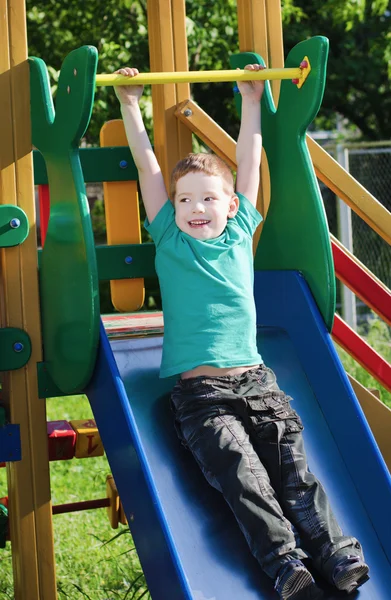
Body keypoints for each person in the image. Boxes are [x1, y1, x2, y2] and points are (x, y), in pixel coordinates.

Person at [114, 65, 369, 600]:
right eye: (184, 200)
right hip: (203, 398)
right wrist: (131, 103)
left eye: (208, 198)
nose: (195, 208)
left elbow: (249, 163)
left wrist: (252, 99)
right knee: (244, 479)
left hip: (260, 384)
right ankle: (285, 566)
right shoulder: (170, 239)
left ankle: (337, 553)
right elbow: (147, 167)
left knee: (295, 473)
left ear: (231, 206)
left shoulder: (238, 233)